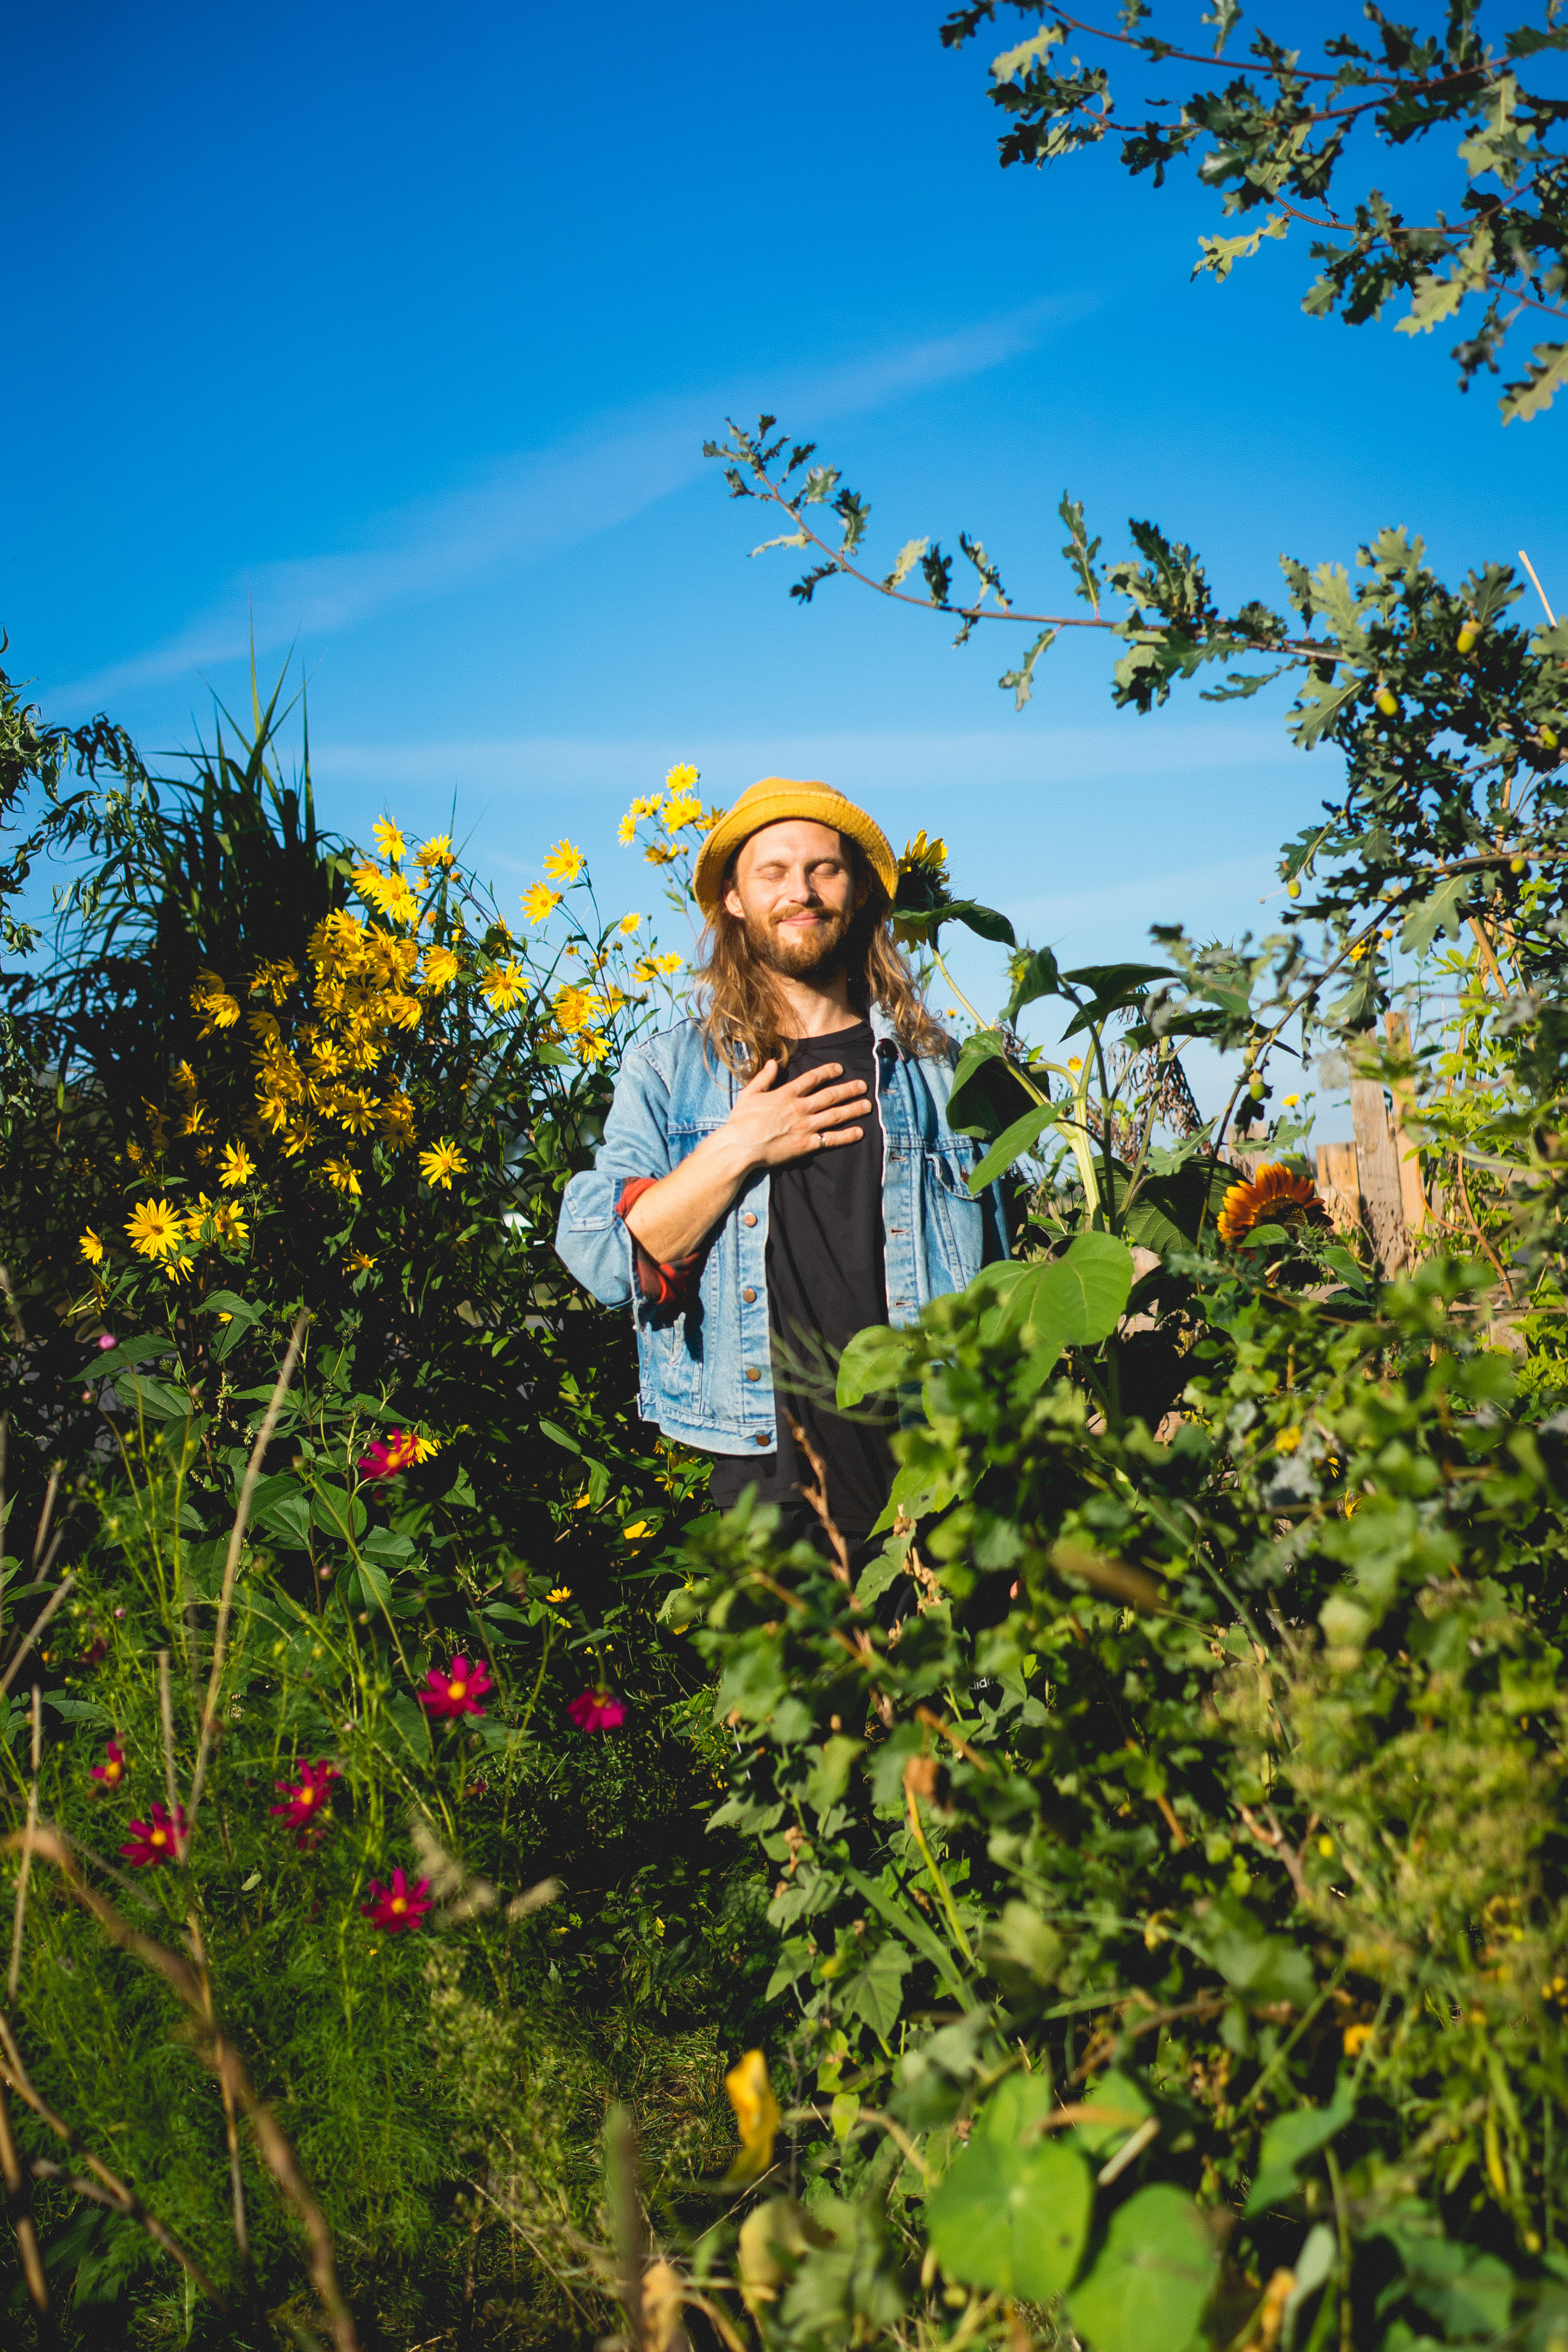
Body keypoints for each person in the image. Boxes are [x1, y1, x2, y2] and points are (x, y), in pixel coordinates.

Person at [554, 777, 1005, 1556]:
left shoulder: (943, 1074)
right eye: (773, 871)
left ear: (860, 892)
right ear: (732, 898)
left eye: (824, 870)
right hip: (770, 1492)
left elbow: (1006, 1285)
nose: (801, 891)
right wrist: (740, 1143)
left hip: (941, 1475)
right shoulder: (669, 1072)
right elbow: (604, 1256)